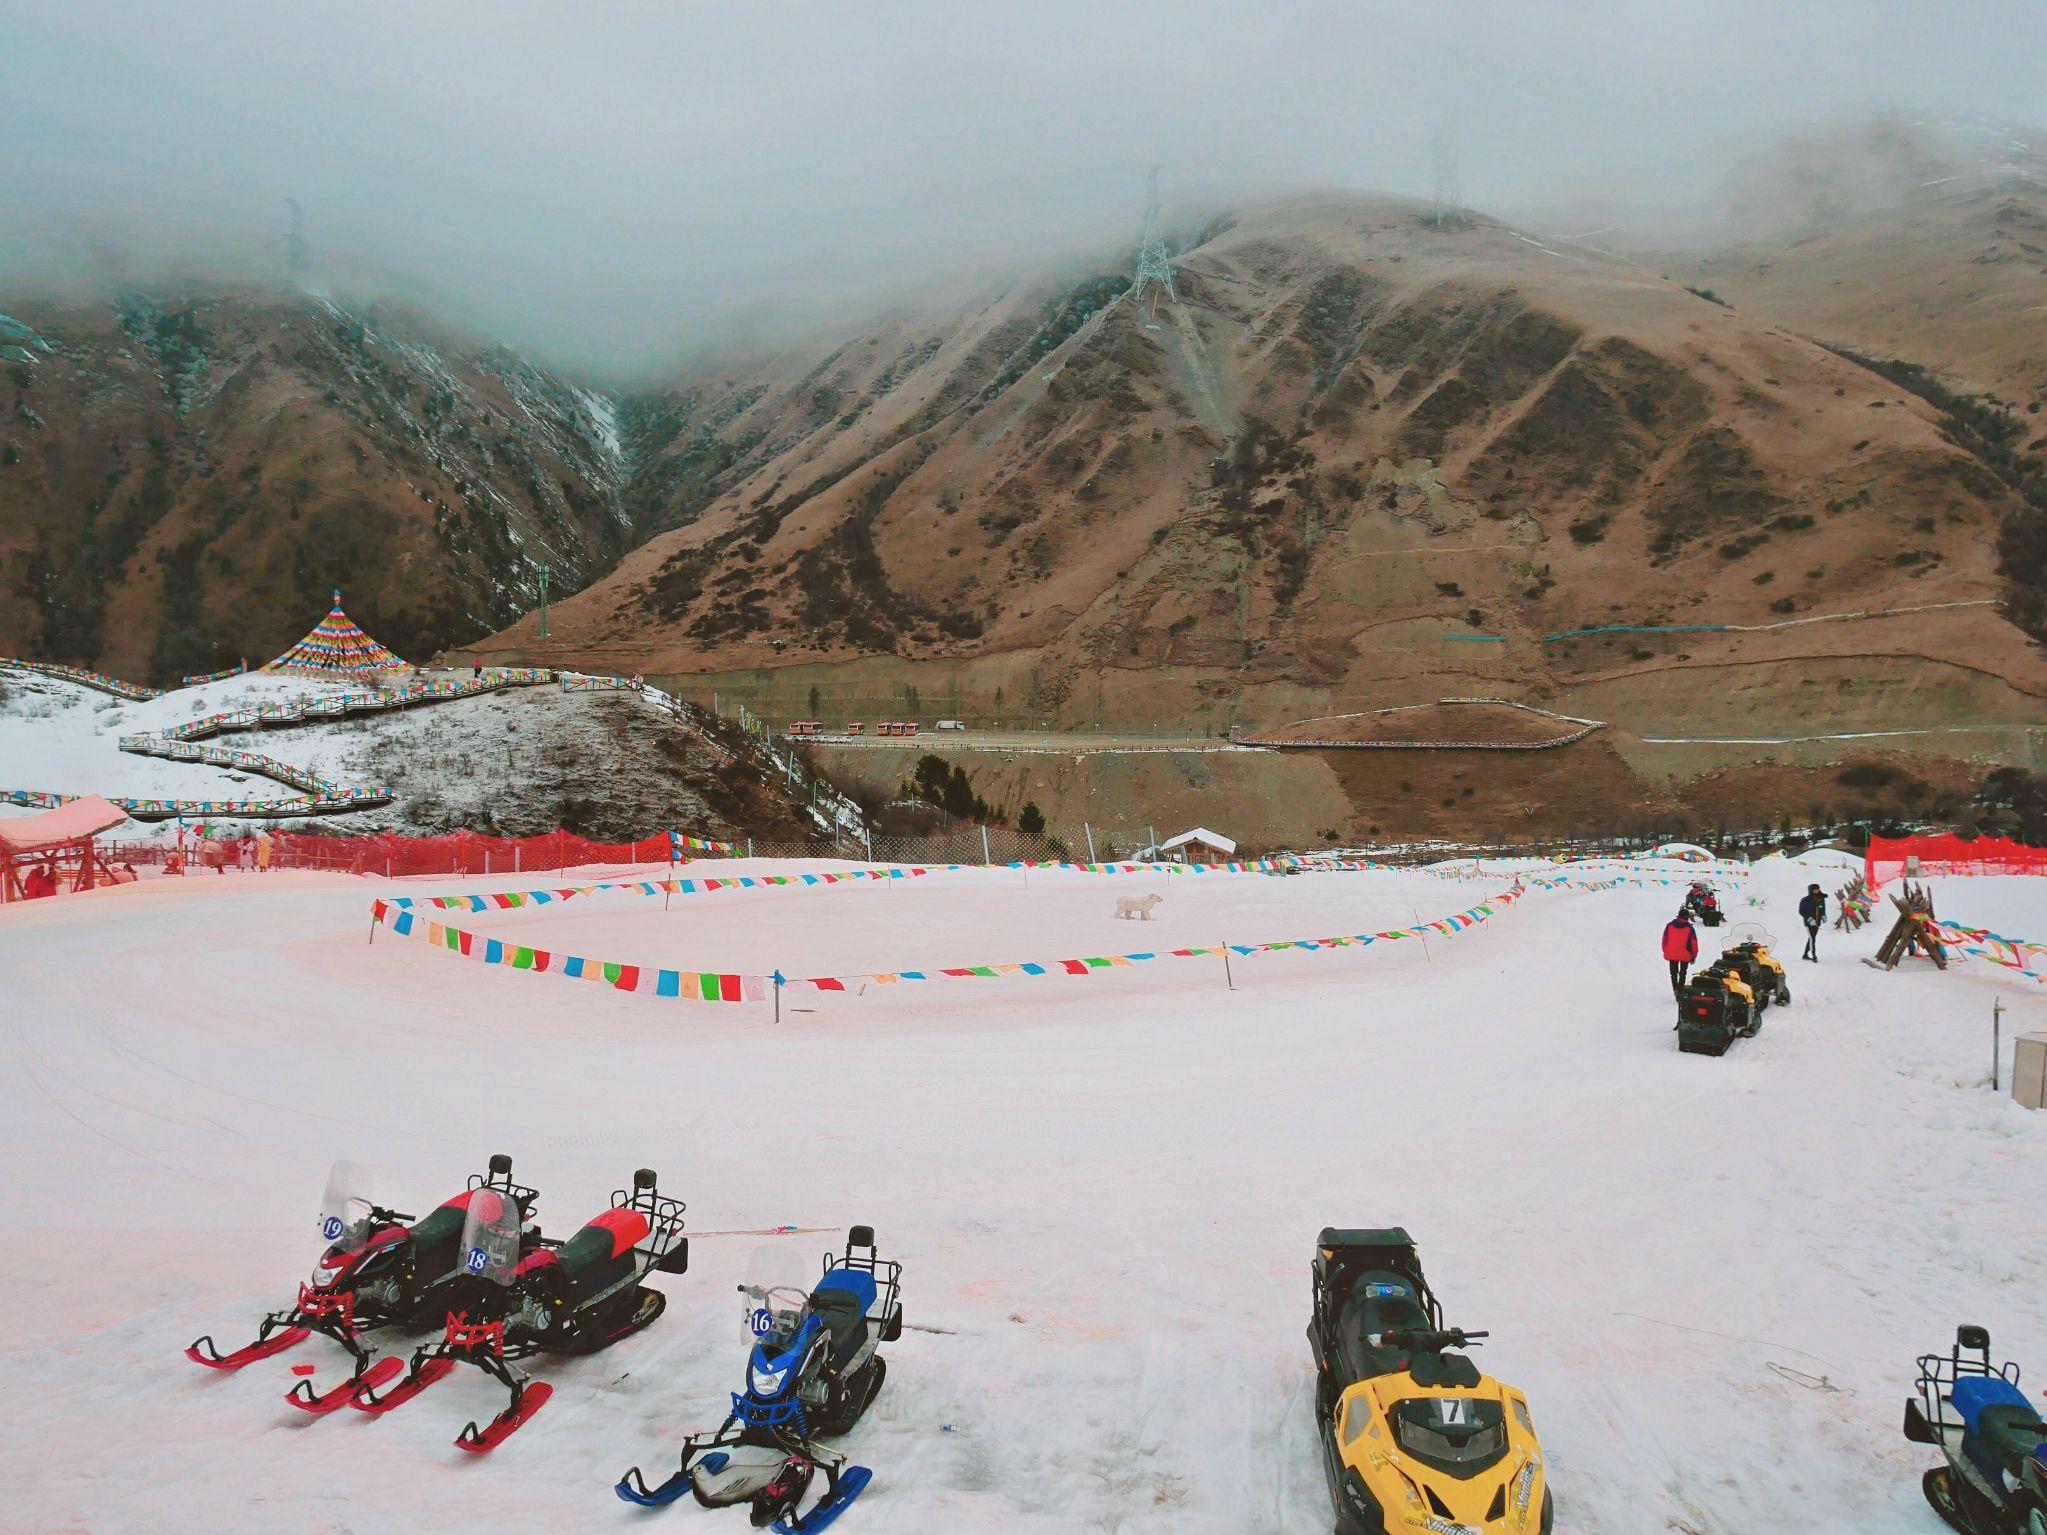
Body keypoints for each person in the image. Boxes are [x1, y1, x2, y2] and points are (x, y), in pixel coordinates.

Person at [1662, 907, 1700, 999]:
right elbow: (1694, 942)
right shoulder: (1689, 928)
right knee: (1683, 973)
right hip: (1685, 954)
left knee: (1673, 973)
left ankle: (1675, 989)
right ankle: (1680, 989)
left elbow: (1664, 939)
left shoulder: (1669, 925)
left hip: (1672, 953)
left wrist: (1665, 952)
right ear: (1687, 917)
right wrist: (1694, 955)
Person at [1798, 883, 1827, 962]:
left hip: (1817, 922)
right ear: (1811, 890)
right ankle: (1814, 955)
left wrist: (1823, 915)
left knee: (1811, 938)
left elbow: (1822, 908)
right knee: (1812, 938)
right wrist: (1809, 919)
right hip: (1809, 923)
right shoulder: (1805, 900)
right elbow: (1801, 911)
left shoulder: (1821, 898)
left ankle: (1805, 955)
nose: (1816, 891)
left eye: (1817, 889)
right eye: (1815, 889)